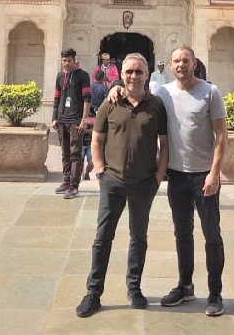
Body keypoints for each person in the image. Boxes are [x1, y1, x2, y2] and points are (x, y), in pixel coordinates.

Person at [108, 46, 227, 316]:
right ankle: (185, 286)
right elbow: (135, 89)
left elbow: (221, 135)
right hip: (177, 174)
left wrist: (214, 172)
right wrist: (116, 85)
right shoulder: (163, 93)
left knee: (212, 235)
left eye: (185, 60)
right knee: (182, 233)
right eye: (176, 61)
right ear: (170, 66)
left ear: (194, 63)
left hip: (203, 175)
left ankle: (215, 293)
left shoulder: (210, 92)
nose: (181, 65)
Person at [76, 53, 169, 318]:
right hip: (113, 181)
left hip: (144, 182)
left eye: (139, 72)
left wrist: (159, 175)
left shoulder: (156, 105)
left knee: (138, 238)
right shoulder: (110, 102)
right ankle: (93, 293)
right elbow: (96, 139)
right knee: (103, 237)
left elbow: (165, 143)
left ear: (147, 75)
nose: (133, 76)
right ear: (122, 74)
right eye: (129, 71)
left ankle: (134, 287)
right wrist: (100, 170)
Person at [52, 48, 91, 199]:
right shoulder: (60, 76)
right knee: (65, 153)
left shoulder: (83, 76)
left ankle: (74, 186)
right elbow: (56, 98)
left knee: (76, 154)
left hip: (76, 121)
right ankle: (66, 182)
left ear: (75, 60)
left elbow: (87, 99)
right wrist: (54, 117)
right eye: (64, 60)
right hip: (62, 120)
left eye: (69, 60)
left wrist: (84, 120)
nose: (66, 63)